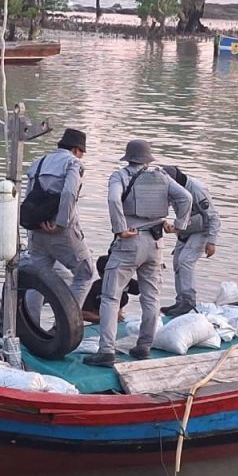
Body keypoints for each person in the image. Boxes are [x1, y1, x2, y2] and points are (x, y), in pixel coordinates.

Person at [84, 139, 192, 367]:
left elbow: (114, 198)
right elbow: (186, 198)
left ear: (128, 157)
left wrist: (120, 228)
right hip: (155, 243)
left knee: (111, 297)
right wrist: (179, 225)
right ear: (147, 159)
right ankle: (144, 346)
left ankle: (106, 351)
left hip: (130, 241)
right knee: (151, 297)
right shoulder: (163, 177)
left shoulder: (120, 176)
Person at [23, 128, 95, 322]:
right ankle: (65, 326)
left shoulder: (38, 163)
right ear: (77, 150)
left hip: (36, 232)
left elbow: (28, 197)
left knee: (38, 280)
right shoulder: (73, 163)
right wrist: (60, 225)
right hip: (61, 233)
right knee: (85, 273)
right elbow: (69, 193)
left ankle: (32, 330)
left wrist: (34, 224)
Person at [160, 165, 221, 317]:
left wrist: (211, 241)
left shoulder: (196, 190)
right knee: (177, 262)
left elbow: (213, 217)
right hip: (186, 227)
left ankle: (188, 302)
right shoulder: (169, 189)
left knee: (186, 261)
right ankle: (180, 301)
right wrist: (167, 225)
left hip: (203, 229)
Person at [82, 254, 139, 324]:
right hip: (99, 322)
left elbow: (142, 288)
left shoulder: (124, 281)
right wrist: (105, 319)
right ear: (101, 274)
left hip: (119, 319)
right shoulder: (95, 288)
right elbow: (82, 313)